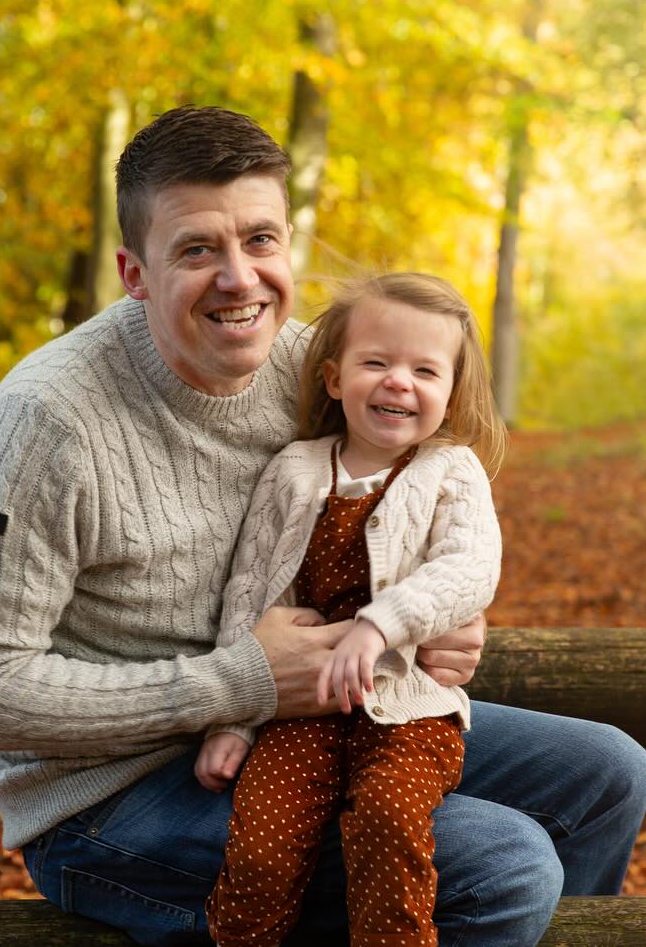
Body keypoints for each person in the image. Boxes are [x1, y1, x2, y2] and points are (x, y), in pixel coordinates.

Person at [0, 105, 646, 947]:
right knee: (505, 864)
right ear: (134, 272)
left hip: (326, 711)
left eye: (261, 240)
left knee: (607, 774)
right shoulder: (48, 422)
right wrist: (240, 681)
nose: (240, 279)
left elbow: (415, 490)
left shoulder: (314, 365)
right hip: (113, 797)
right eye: (198, 249)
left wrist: (436, 612)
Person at [199, 273, 506, 946]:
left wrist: (379, 625)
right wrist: (234, 718)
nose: (400, 381)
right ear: (335, 379)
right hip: (298, 711)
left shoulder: (451, 471)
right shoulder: (293, 470)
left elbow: (470, 567)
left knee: (388, 823)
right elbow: (251, 595)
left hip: (407, 712)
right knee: (259, 851)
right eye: (378, 362)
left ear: (451, 391)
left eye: (426, 370)